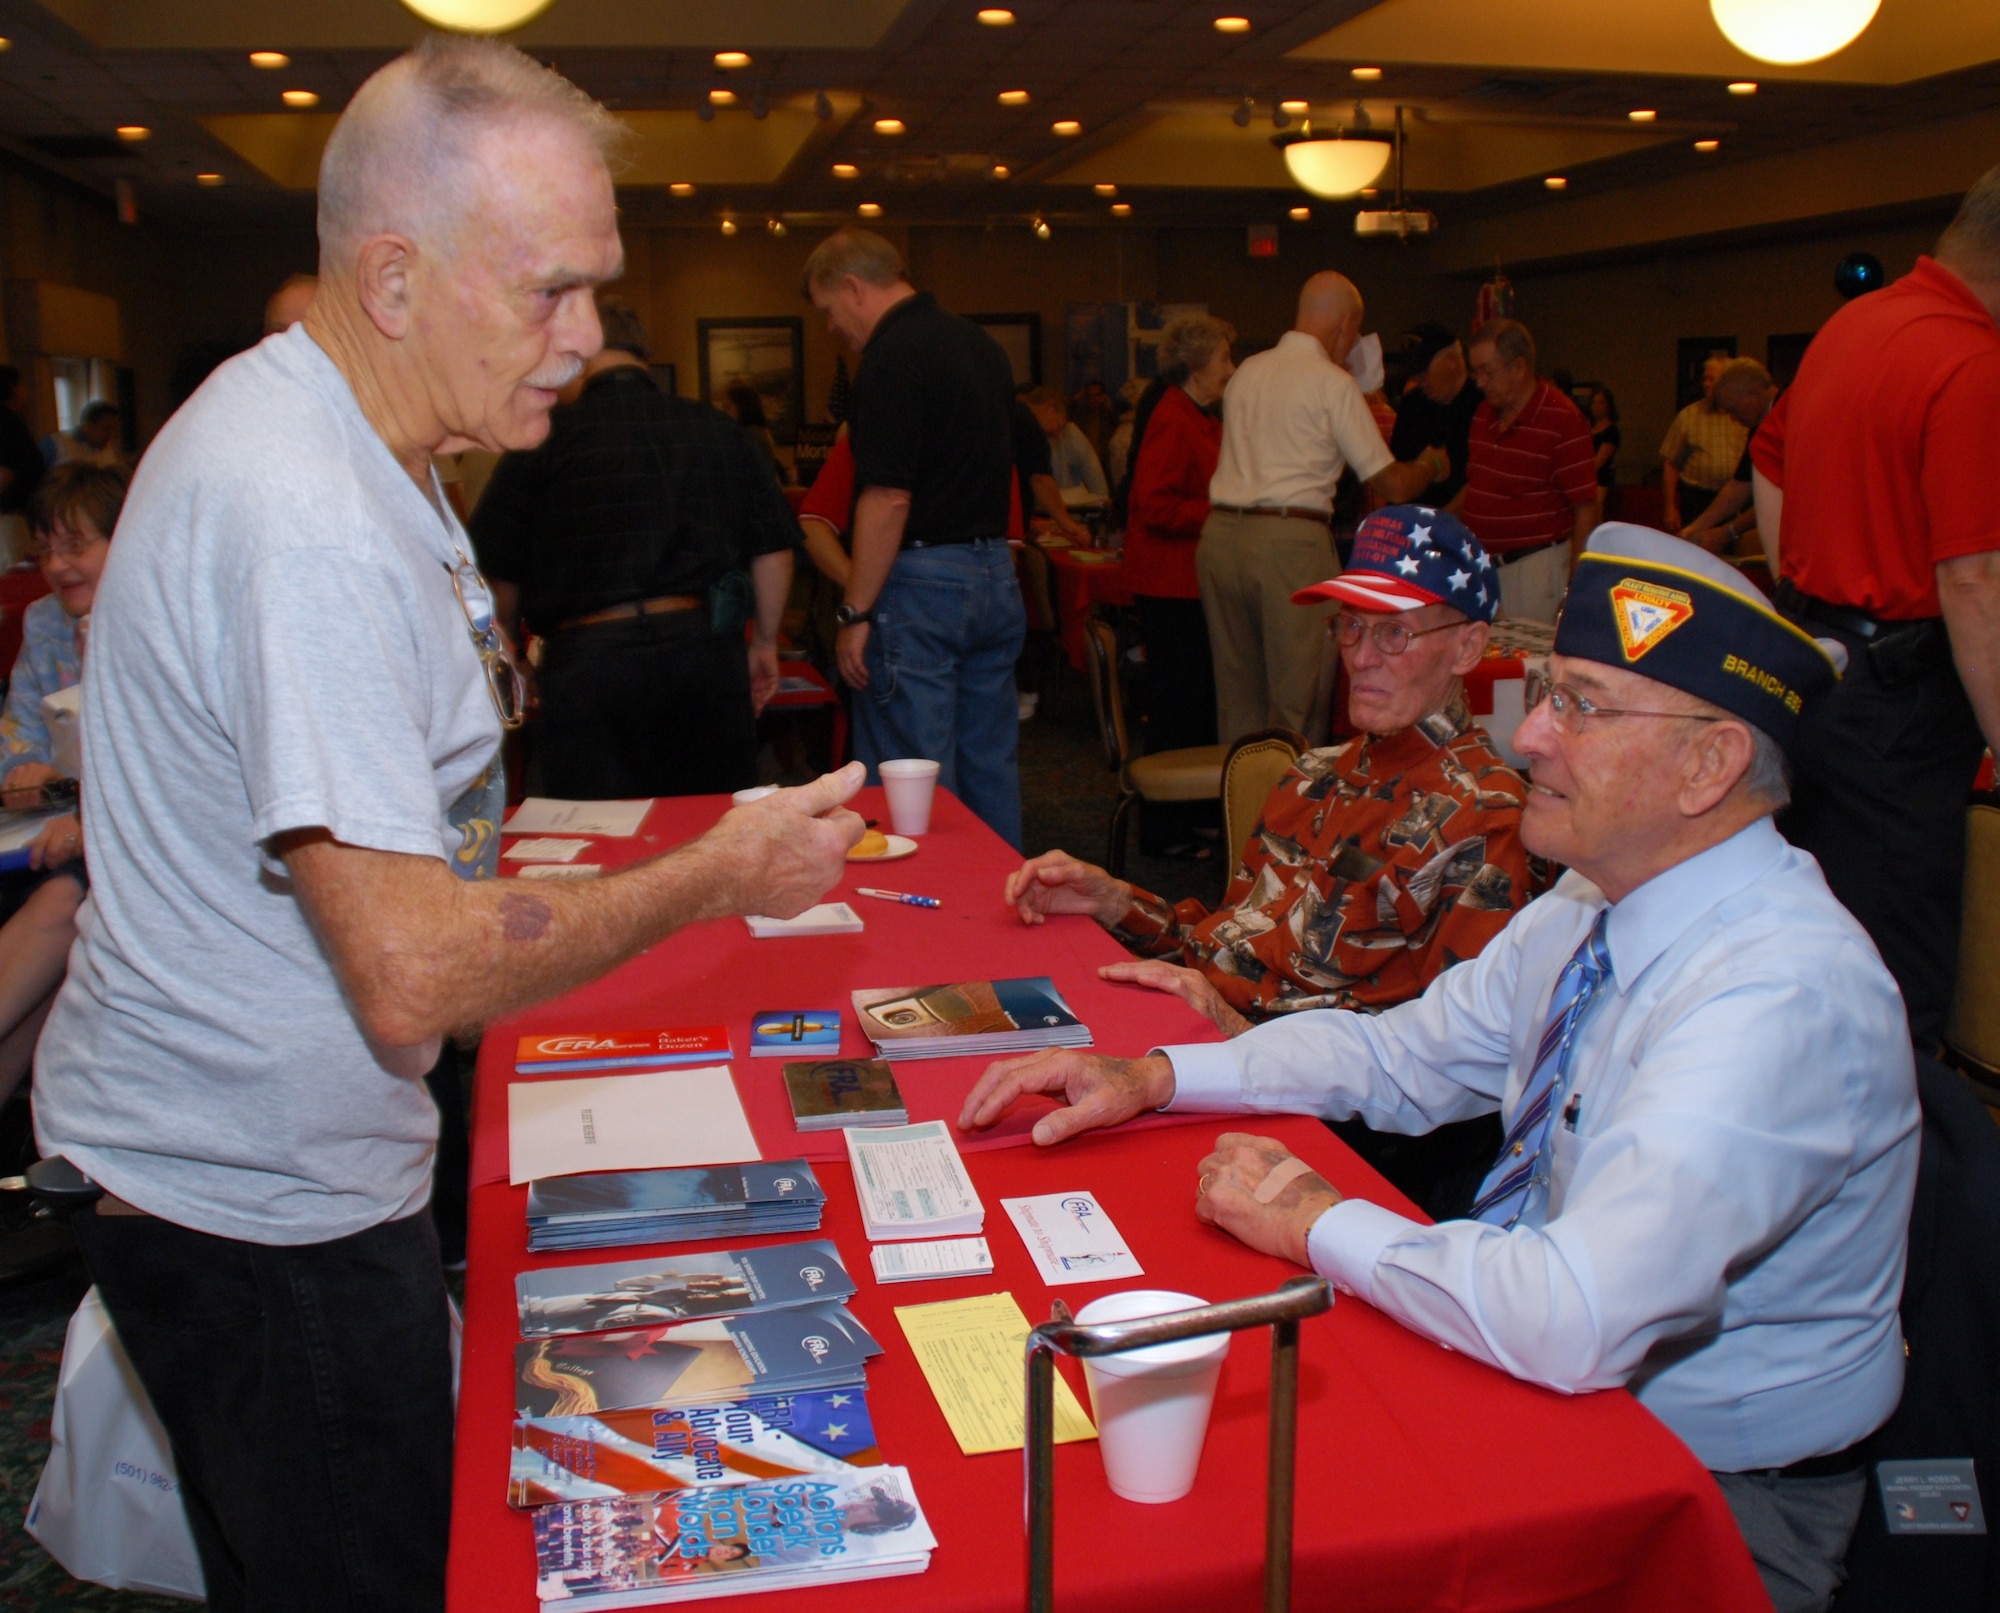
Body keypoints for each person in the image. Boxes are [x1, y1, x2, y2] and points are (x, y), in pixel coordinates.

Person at [34, 38, 864, 1611]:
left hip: (256, 1158)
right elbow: (410, 970)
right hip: (257, 1203)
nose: (590, 335)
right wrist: (716, 875)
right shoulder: (310, 519)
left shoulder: (358, 438)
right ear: (395, 280)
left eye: (597, 288)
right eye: (552, 291)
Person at [964, 526, 1912, 1613]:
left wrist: (1316, 1219)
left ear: (1709, 766)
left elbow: (1571, 1314)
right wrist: (1153, 1077)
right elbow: (1397, 1051)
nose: (1529, 738)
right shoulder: (1593, 901)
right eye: (1546, 692)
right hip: (1552, 1384)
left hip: (1699, 1486)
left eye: (1582, 705)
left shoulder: (1775, 994)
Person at [1004, 505, 1534, 1212]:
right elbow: (1232, 942)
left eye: (1394, 632)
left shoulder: (1487, 817)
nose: (1361, 656)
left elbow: (1445, 1074)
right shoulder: (1315, 773)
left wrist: (1235, 1039)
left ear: (1468, 648)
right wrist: (1114, 901)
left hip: (1322, 1136)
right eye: (1350, 625)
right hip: (1199, 1059)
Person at [1762, 165, 2000, 1053]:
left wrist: (1806, 585)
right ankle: (1908, 1187)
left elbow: (1770, 454)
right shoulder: (1974, 361)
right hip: (1900, 703)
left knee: (1819, 948)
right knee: (1896, 980)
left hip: (1817, 673)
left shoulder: (1853, 322)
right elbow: (1974, 582)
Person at [472, 295, 798, 798]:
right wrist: (763, 642)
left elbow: (499, 569)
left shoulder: (539, 440)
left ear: (574, 355)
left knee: (597, 837)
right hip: (702, 651)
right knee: (713, 827)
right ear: (643, 356)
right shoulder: (718, 430)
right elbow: (773, 546)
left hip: (589, 663)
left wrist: (511, 652)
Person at [803, 227, 1029, 847]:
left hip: (923, 584)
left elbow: (887, 497)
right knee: (990, 766)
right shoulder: (981, 346)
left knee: (913, 777)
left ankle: (933, 921)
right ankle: (999, 908)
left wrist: (855, 610)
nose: (830, 329)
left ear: (852, 288)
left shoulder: (890, 357)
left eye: (827, 311)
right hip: (994, 576)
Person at [1202, 271, 1448, 741]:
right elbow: (1393, 484)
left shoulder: (1246, 373)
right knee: (1298, 700)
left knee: (1238, 702)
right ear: (1345, 325)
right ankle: (1293, 811)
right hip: (1289, 543)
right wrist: (1431, 464)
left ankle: (1240, 809)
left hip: (1220, 539)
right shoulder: (1332, 383)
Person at [0, 464, 120, 1102]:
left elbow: (153, 759)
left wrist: (75, 802)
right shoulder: (45, 623)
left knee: (56, 908)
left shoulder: (152, 620)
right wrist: (34, 779)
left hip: (126, 842)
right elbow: (16, 733)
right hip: (53, 837)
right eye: (45, 549)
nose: (58, 565)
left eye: (77, 546)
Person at [1121, 313, 1234, 855]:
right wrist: (1222, 510)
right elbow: (1153, 504)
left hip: (1183, 581)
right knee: (1178, 709)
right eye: (1224, 359)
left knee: (1191, 706)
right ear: (1197, 365)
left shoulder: (1196, 414)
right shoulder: (1175, 416)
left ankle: (1188, 821)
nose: (1230, 370)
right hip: (1171, 583)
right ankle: (1167, 830)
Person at [1454, 319, 1600, 624]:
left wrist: (1576, 586)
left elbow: (1586, 507)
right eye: (1475, 372)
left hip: (1534, 569)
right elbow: (1478, 484)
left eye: (1487, 372)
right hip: (1482, 566)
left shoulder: (1562, 420)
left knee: (1526, 665)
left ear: (1519, 367)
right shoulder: (1483, 415)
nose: (1479, 382)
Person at [1681, 359, 1777, 554]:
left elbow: (1778, 497)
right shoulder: (1760, 427)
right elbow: (1740, 485)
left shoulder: (1786, 418)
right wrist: (1696, 527)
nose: (1733, 419)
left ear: (1753, 393)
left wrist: (1727, 532)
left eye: (1733, 410)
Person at [1389, 321, 1479, 508]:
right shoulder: (1412, 406)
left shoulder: (1483, 405)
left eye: (1423, 370)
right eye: (1414, 372)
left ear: (1452, 362)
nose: (1418, 379)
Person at [1660, 354, 1748, 536]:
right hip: (1696, 500)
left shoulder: (1741, 415)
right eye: (1705, 379)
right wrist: (1670, 507)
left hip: (1733, 500)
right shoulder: (1688, 416)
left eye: (1712, 379)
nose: (1706, 384)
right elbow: (1671, 463)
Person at [1024, 385, 1108, 501]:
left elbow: (1098, 485)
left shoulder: (1071, 435)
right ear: (1051, 408)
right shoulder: (1021, 433)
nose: (1058, 435)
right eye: (1058, 426)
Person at [0, 366, 42, 568]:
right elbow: (3, 472)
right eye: (22, 385)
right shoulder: (6, 422)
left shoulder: (11, 421)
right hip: (8, 517)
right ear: (13, 388)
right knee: (14, 572)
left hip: (16, 515)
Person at [723, 380, 788, 486]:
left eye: (728, 407)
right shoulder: (759, 432)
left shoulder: (750, 436)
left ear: (743, 408)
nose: (724, 413)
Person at [40, 401, 125, 473]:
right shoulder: (56, 444)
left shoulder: (109, 451)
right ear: (88, 426)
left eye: (114, 430)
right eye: (106, 429)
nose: (111, 435)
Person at [1587, 384, 1620, 492]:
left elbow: (1599, 461)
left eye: (1601, 402)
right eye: (1594, 403)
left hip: (1600, 482)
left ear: (1608, 405)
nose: (1596, 406)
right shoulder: (1588, 428)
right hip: (1585, 480)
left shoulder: (1611, 432)